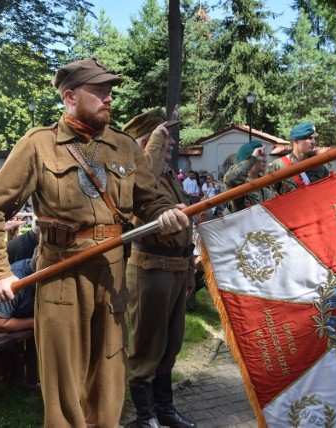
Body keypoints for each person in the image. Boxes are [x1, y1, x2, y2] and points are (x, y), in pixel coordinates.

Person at [0, 58, 189, 427]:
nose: (109, 98)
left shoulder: (124, 147)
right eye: (99, 91)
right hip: (61, 275)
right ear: (71, 96)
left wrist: (166, 214)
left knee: (109, 375)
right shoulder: (39, 145)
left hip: (111, 274)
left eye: (110, 91)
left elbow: (149, 198)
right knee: (64, 379)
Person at [122, 108, 197, 428]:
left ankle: (164, 409)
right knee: (146, 346)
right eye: (164, 136)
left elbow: (186, 225)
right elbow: (141, 193)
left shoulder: (166, 174)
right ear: (146, 143)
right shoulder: (138, 174)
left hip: (176, 268)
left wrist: (190, 271)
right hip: (151, 270)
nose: (172, 142)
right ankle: (144, 416)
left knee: (170, 343)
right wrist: (151, 147)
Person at [264, 122, 329, 195]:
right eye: (309, 138)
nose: (314, 142)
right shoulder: (278, 166)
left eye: (314, 138)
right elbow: (267, 198)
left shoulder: (320, 169)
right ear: (296, 140)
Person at [223, 140, 277, 213]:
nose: (265, 160)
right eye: (260, 156)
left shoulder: (266, 183)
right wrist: (253, 158)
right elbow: (230, 178)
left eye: (265, 156)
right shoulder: (239, 185)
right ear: (247, 159)